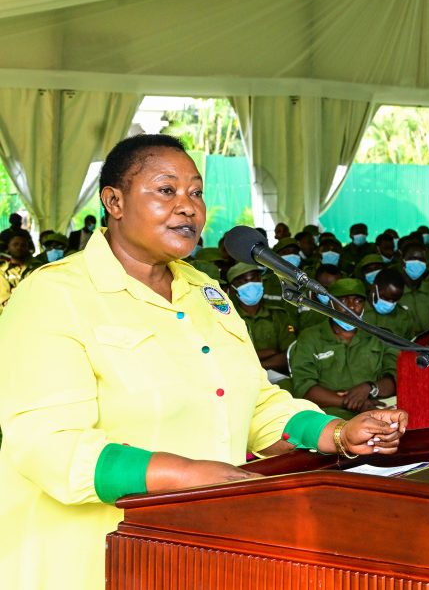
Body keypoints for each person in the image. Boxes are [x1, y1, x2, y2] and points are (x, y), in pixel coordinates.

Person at [0, 134, 407, 589]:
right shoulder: (55, 295)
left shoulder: (206, 293)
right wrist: (189, 474)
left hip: (198, 546)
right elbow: (47, 444)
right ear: (114, 201)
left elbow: (254, 404)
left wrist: (338, 433)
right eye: (166, 190)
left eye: (196, 192)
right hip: (91, 559)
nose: (188, 206)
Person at [289, 278, 398, 419]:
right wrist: (352, 403)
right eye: (343, 301)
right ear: (330, 303)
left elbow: (395, 378)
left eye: (358, 301)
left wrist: (369, 387)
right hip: (328, 414)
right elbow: (304, 388)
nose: (351, 307)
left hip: (376, 408)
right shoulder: (310, 338)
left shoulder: (379, 336)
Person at [227, 261, 298, 379]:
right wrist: (270, 352)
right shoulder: (228, 318)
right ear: (232, 288)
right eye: (243, 281)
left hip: (278, 378)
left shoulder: (279, 315)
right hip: (239, 379)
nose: (250, 284)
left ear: (261, 280)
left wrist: (258, 365)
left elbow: (289, 355)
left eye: (254, 278)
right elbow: (230, 359)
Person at [397, 242, 429, 335]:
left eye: (421, 260)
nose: (417, 263)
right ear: (402, 261)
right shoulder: (393, 294)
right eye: (412, 259)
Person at [362, 267, 415, 339]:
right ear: (374, 288)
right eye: (386, 299)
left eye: (395, 300)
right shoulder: (358, 312)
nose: (390, 304)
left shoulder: (403, 317)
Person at [0, 233, 32, 312]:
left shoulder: (35, 268)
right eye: (15, 244)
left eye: (23, 245)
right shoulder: (2, 270)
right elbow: (5, 302)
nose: (19, 247)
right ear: (8, 247)